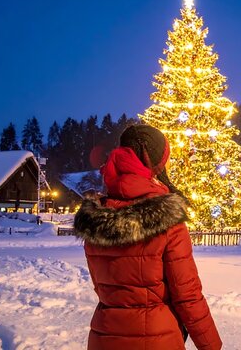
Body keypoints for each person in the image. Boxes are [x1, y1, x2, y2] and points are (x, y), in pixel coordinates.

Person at [74, 124, 222, 350]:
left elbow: (102, 286)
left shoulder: (95, 218)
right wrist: (211, 345)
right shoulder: (167, 218)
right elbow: (187, 296)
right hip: (157, 339)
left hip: (105, 338)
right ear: (155, 162)